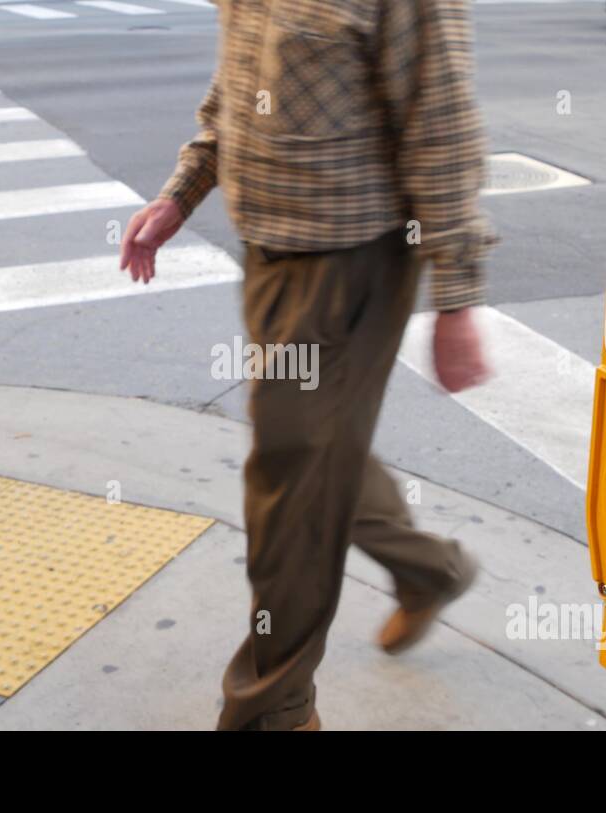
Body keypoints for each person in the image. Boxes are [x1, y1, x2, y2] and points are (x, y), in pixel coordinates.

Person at [120, 0, 495, 731]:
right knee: (315, 451)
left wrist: (458, 296)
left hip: (350, 262)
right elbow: (240, 84)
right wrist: (183, 192)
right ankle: (428, 567)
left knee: (290, 482)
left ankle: (272, 709)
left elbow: (440, 122)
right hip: (269, 251)